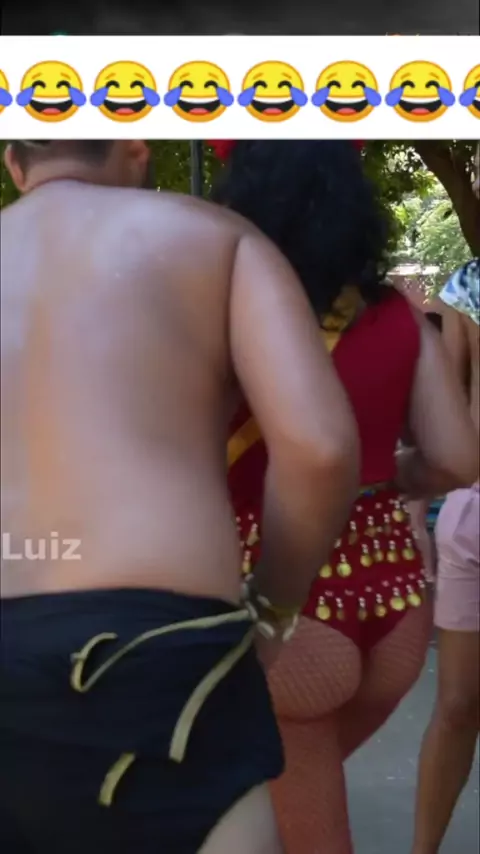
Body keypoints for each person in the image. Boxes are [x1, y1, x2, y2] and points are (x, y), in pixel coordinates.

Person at [0, 139, 360, 854]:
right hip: (164, 653)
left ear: (14, 162)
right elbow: (318, 448)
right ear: (137, 148)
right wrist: (272, 611)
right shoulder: (219, 240)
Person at [210, 140, 479, 854]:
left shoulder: (221, 312)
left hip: (277, 603)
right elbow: (457, 458)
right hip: (393, 603)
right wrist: (384, 475)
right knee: (278, 811)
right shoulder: (395, 316)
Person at [411, 257, 480, 854]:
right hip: (473, 515)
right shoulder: (468, 283)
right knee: (457, 704)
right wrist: (416, 511)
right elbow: (443, 408)